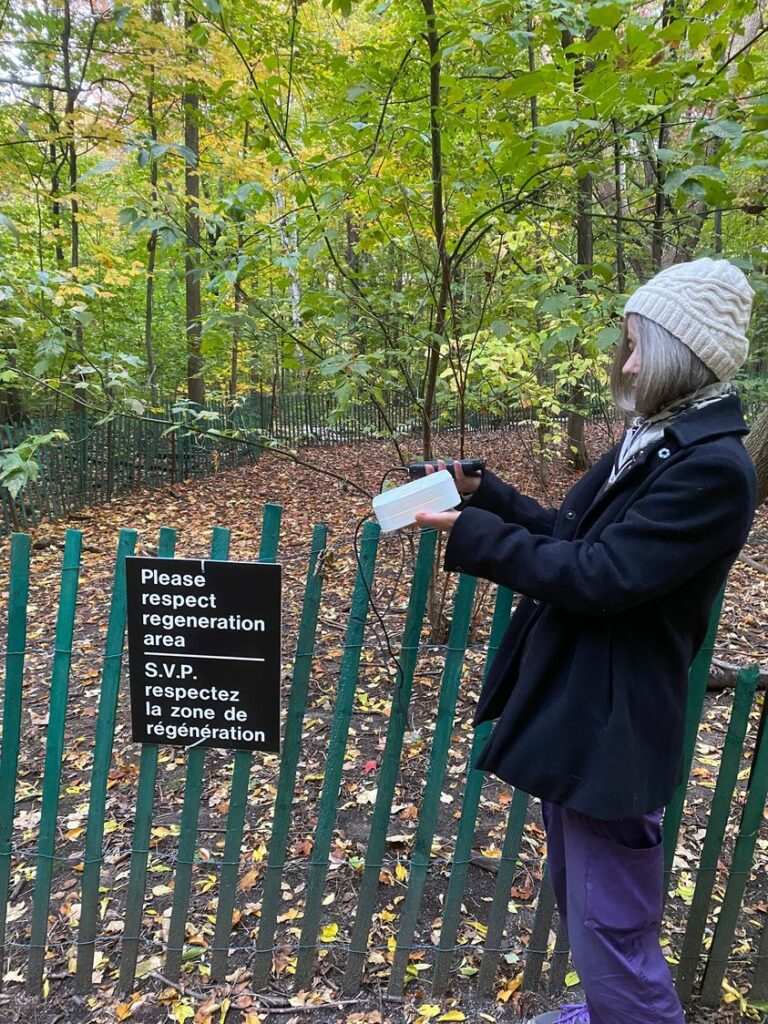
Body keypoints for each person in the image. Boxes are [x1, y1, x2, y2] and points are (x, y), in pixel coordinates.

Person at [414, 257, 758, 1024]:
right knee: (582, 896)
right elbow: (574, 533)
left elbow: (600, 575)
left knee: (613, 923)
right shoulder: (658, 439)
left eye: (637, 345)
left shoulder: (714, 469)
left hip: (617, 725)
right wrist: (486, 493)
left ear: (680, 352)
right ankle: (609, 1013)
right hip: (582, 710)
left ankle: (632, 1015)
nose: (625, 361)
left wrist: (474, 535)